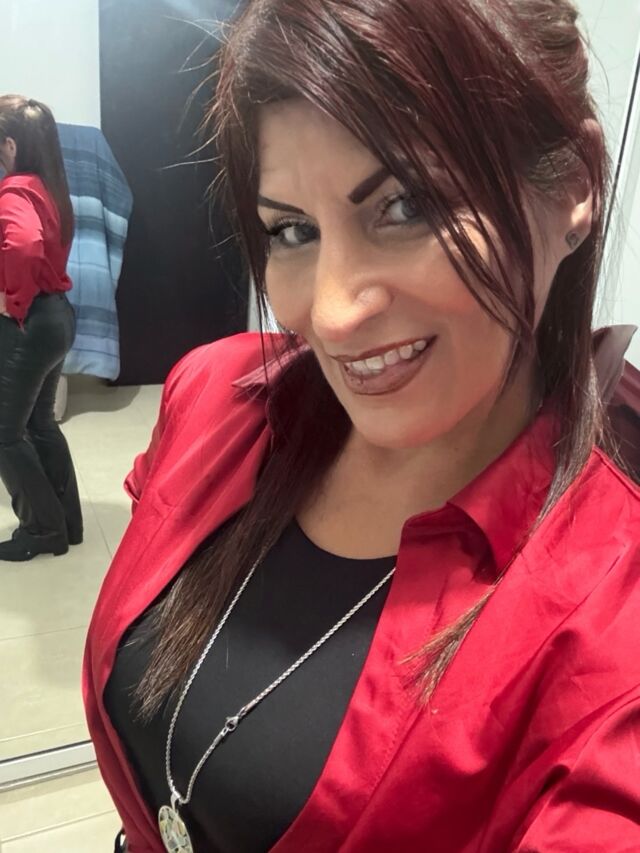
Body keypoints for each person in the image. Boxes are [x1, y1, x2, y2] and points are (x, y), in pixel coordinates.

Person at [84, 1, 640, 850]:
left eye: (406, 206)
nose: (334, 312)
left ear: (572, 188)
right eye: (292, 230)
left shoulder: (610, 614)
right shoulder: (215, 399)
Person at [0, 95, 83, 560]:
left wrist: (12, 299)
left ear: (11, 144)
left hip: (30, 323)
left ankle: (42, 530)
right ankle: (66, 522)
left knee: (5, 433)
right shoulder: (50, 188)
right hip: (57, 318)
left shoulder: (15, 191)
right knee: (40, 423)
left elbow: (25, 245)